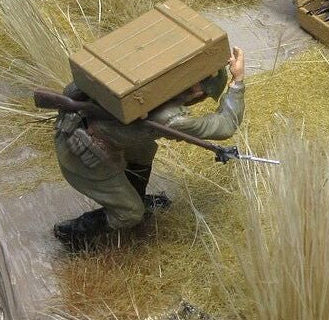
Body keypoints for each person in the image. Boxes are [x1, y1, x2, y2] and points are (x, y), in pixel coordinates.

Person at [52, 47, 245, 251]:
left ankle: (137, 197)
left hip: (87, 130)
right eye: (204, 95)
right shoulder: (171, 118)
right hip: (80, 155)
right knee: (131, 214)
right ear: (198, 91)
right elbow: (226, 125)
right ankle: (74, 233)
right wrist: (238, 81)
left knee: (145, 149)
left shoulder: (151, 76)